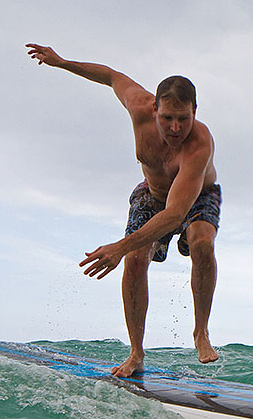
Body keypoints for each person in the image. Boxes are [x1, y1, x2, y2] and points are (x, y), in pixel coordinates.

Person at [26, 43, 221, 377]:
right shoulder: (138, 106)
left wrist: (118, 246)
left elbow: (175, 213)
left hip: (193, 199)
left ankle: (200, 332)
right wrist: (61, 63)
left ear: (195, 112)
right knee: (135, 259)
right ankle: (136, 354)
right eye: (167, 118)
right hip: (152, 193)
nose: (175, 128)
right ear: (154, 108)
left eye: (183, 119)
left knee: (201, 241)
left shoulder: (199, 144)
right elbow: (111, 76)